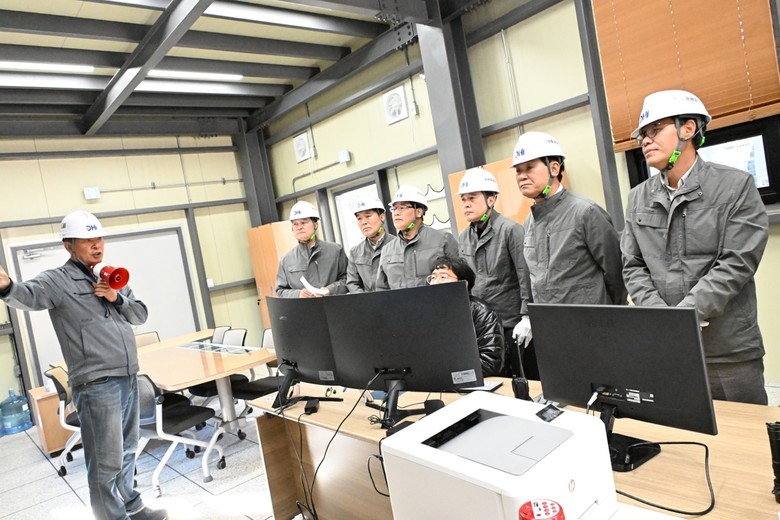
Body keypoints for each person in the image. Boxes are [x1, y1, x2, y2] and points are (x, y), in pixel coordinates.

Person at [0, 211, 166, 520]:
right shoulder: (57, 280)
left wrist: (117, 298)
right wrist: (7, 287)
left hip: (128, 376)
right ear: (69, 245)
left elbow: (140, 315)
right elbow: (29, 295)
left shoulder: (112, 276)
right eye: (88, 240)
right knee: (106, 462)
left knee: (128, 449)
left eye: (99, 238)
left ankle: (132, 506)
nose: (96, 245)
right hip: (96, 384)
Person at [621, 89, 769, 405]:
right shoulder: (637, 197)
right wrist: (661, 316)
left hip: (728, 350)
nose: (645, 140)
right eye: (642, 134)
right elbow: (632, 265)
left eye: (655, 129)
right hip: (666, 347)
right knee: (678, 429)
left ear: (688, 129)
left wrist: (687, 315)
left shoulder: (735, 185)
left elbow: (738, 261)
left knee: (744, 433)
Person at [513, 131, 627, 377]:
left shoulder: (585, 212)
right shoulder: (529, 223)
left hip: (592, 331)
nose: (522, 176)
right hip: (552, 334)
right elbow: (533, 278)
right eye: (518, 170)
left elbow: (616, 272)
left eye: (529, 167)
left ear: (554, 167)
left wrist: (613, 319)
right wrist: (529, 316)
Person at [457, 167, 531, 378]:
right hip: (480, 325)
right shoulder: (463, 237)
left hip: (510, 324)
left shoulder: (511, 230)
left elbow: (525, 275)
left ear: (491, 199)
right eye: (463, 199)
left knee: (517, 380)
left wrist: (527, 316)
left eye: (472, 197)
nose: (466, 204)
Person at [428, 255, 504, 376]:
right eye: (433, 277)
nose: (435, 282)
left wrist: (444, 369)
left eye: (443, 277)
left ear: (464, 283)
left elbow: (491, 363)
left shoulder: (482, 313)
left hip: (468, 380)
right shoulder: (425, 312)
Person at [376, 184, 459, 290]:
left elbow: (461, 278)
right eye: (394, 208)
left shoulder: (443, 240)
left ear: (419, 212)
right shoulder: (388, 250)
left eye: (402, 208)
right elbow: (382, 289)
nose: (396, 213)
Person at [276, 200, 348, 298]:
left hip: (332, 305)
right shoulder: (286, 260)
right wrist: (298, 294)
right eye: (295, 224)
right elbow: (280, 291)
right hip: (304, 307)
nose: (299, 227)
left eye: (304, 222)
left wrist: (330, 290)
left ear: (315, 224)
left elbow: (348, 280)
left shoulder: (335, 250)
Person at [346, 195, 397, 293]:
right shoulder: (355, 252)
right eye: (359, 218)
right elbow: (352, 283)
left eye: (368, 216)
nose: (363, 222)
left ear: (382, 217)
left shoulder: (398, 245)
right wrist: (366, 300)